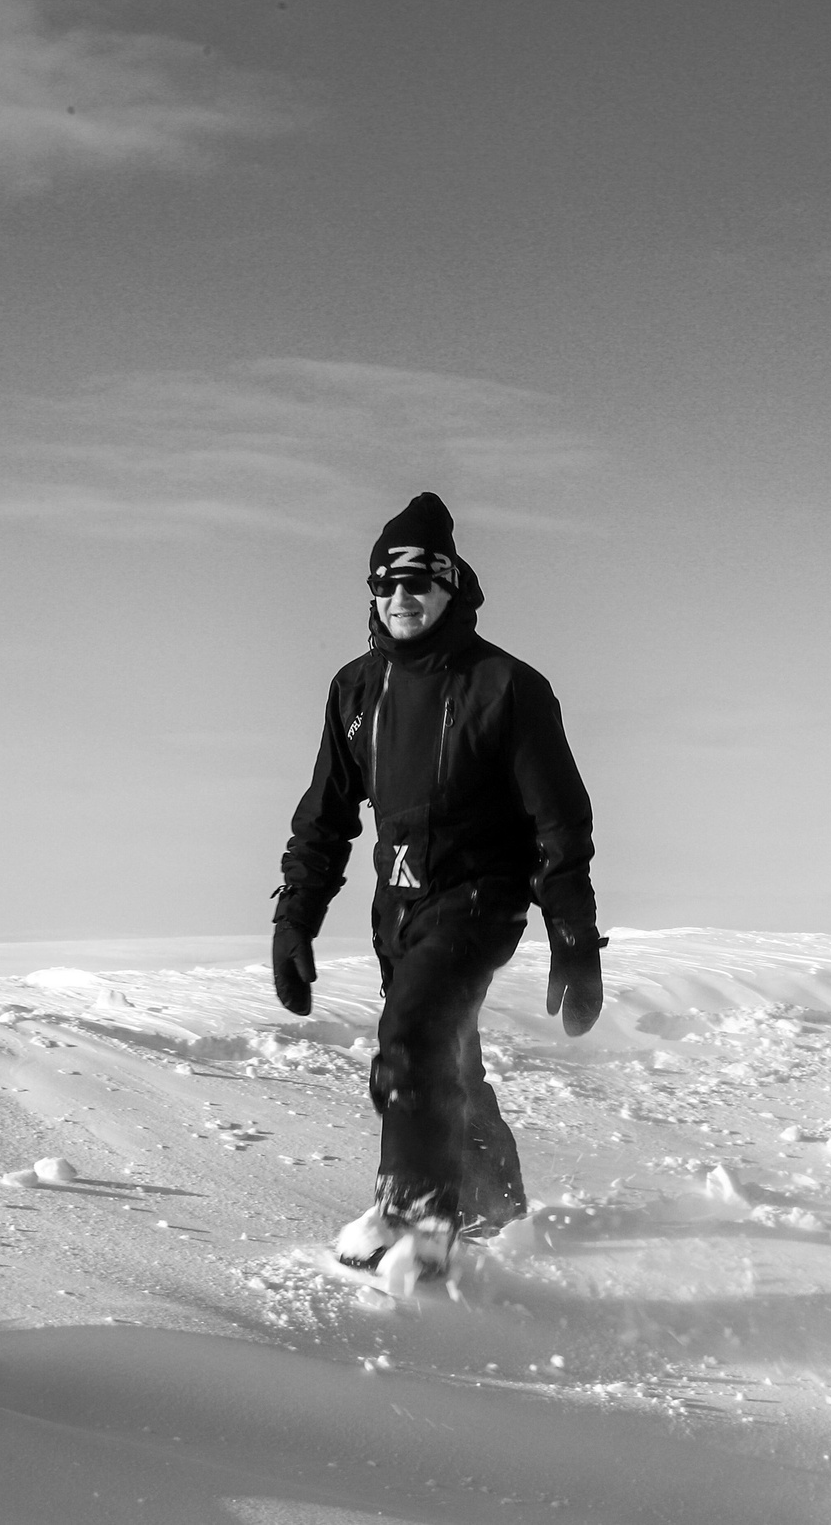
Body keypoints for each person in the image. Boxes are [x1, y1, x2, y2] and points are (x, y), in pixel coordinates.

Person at [271, 492, 604, 1278]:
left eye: (418, 584)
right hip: (401, 910)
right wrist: (297, 918)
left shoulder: (505, 687)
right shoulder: (357, 690)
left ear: (451, 587)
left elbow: (559, 823)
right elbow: (324, 816)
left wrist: (575, 936)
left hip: (482, 898)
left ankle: (417, 1217)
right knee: (446, 1059)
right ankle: (497, 1206)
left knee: (412, 1040)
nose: (400, 599)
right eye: (385, 585)